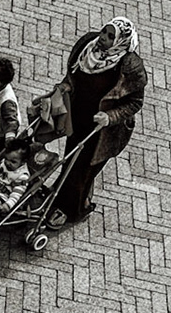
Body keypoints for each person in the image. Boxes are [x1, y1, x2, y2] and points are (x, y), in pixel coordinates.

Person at [48, 17, 147, 229]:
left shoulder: (130, 67)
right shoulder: (88, 46)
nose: (103, 38)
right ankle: (60, 192)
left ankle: (71, 210)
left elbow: (135, 103)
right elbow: (73, 75)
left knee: (84, 168)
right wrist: (65, 87)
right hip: (79, 114)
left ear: (121, 41)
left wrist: (110, 117)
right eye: (104, 32)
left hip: (103, 130)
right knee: (71, 157)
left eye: (111, 36)